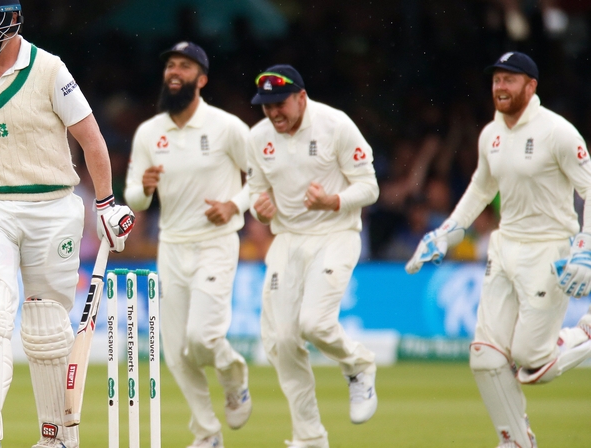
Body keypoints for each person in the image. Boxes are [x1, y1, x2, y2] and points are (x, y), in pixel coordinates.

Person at [0, 2, 134, 448]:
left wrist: (107, 202)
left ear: (11, 20)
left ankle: (57, 436)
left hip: (52, 207)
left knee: (45, 324)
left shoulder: (50, 70)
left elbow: (91, 137)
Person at [406, 51, 591, 447]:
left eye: (510, 80)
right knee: (485, 358)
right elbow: (481, 188)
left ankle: (587, 334)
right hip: (504, 247)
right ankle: (515, 441)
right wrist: (447, 232)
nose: (500, 87)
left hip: (548, 251)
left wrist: (585, 246)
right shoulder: (491, 132)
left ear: (531, 86)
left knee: (533, 363)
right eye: (496, 80)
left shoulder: (558, 132)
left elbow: (590, 188)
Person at [124, 41, 252, 448]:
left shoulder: (227, 127)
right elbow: (134, 197)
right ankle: (207, 432)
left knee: (202, 338)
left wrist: (234, 204)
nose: (174, 72)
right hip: (172, 246)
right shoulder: (149, 132)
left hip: (215, 242)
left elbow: (265, 177)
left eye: (184, 66)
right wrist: (143, 191)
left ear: (202, 79)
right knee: (175, 352)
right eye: (170, 66)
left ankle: (234, 378)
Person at [247, 64, 379, 448]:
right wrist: (261, 209)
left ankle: (358, 364)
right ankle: (309, 437)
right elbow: (257, 193)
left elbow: (369, 187)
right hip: (287, 239)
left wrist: (333, 200)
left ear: (301, 97)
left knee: (314, 324)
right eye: (266, 106)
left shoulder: (335, 125)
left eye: (279, 103)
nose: (273, 113)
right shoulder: (258, 138)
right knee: (282, 340)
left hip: (335, 232)